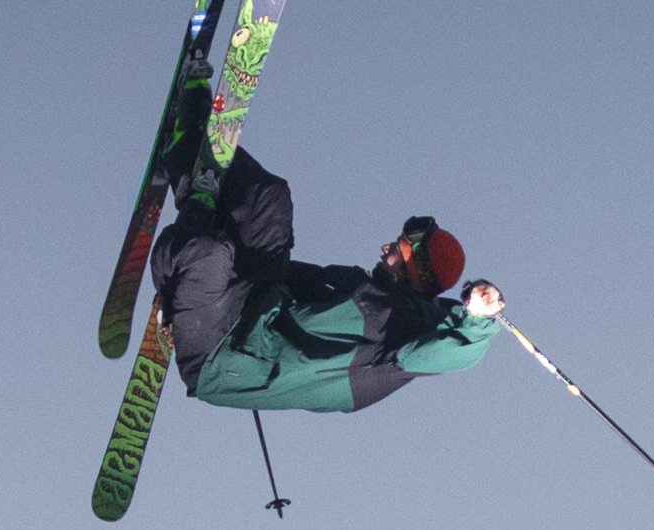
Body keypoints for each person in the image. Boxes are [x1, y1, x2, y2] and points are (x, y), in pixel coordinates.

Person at [151, 151, 500, 417]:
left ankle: (179, 279)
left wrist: (479, 322)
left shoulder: (401, 334)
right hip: (251, 308)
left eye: (398, 248)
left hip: (221, 356)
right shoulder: (358, 287)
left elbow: (449, 352)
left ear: (417, 272)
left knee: (209, 255)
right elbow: (273, 268)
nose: (386, 248)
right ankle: (190, 144)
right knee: (271, 197)